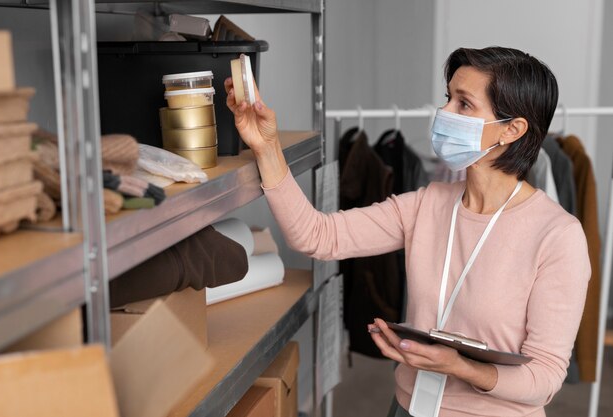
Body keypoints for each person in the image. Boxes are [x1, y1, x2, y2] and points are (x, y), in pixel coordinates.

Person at [224, 46, 591, 417]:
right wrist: (267, 147)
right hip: (407, 408)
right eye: (447, 98)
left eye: (464, 105)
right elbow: (317, 235)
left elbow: (544, 377)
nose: (443, 113)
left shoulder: (557, 235)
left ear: (512, 130)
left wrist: (459, 367)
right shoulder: (426, 204)